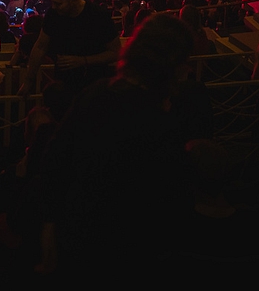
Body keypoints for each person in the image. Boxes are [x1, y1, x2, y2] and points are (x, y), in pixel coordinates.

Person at [36, 14, 196, 275]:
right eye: (184, 62)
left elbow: (55, 159)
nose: (186, 70)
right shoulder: (160, 123)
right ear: (169, 64)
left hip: (79, 235)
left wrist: (49, 225)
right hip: (129, 253)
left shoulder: (96, 93)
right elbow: (169, 201)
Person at [21, 0, 120, 94]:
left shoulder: (98, 16)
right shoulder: (53, 15)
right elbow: (40, 46)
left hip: (93, 87)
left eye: (58, 3)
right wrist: (28, 81)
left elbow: (116, 52)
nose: (54, 7)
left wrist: (83, 61)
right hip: (64, 86)